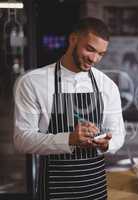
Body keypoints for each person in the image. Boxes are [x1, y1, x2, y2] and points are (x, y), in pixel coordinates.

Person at [14, 17, 126, 200]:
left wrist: (106, 143)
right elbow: (21, 139)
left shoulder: (107, 85)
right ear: (73, 39)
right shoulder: (33, 82)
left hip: (94, 189)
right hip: (54, 189)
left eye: (101, 54)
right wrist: (69, 139)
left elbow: (119, 134)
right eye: (90, 49)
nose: (94, 59)